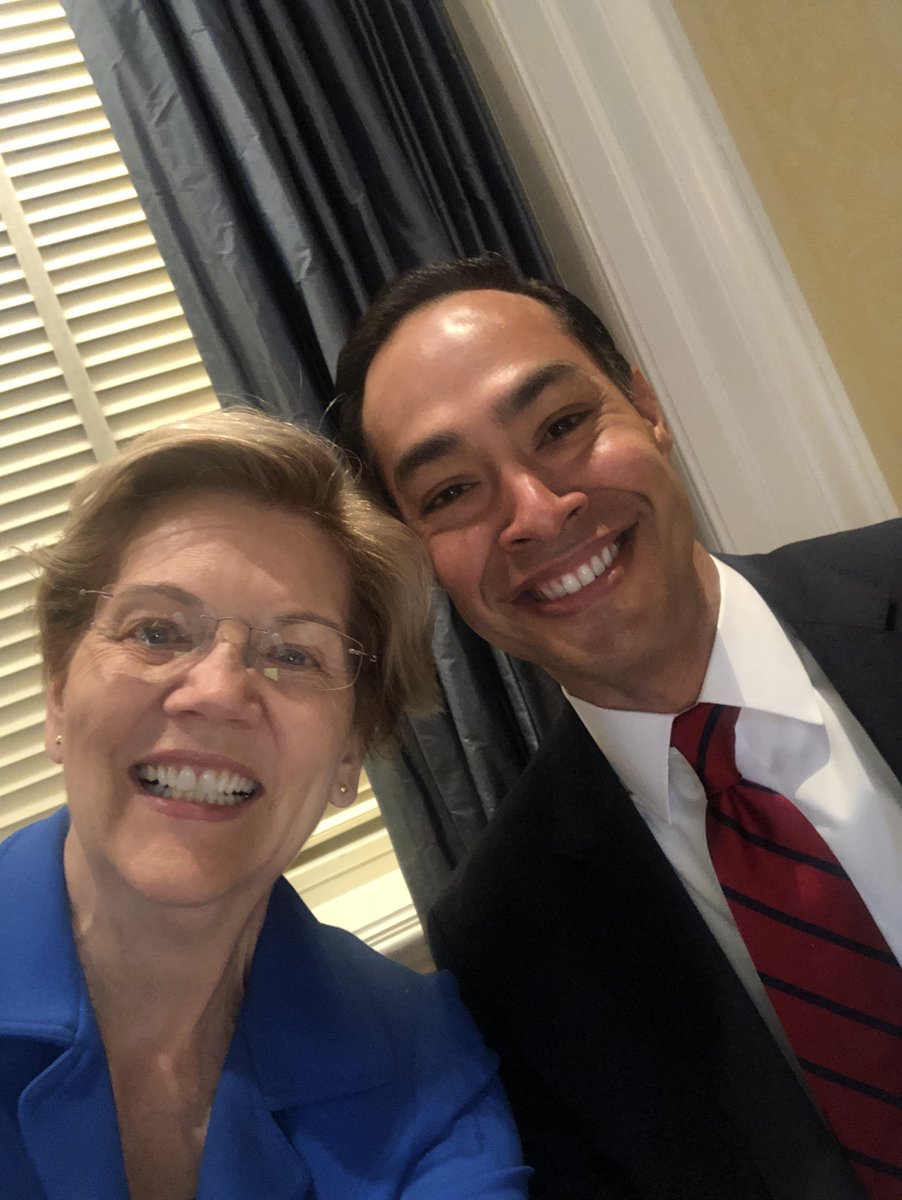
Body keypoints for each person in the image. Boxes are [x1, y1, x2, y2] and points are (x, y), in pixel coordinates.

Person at [333, 254, 902, 1200]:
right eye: (449, 493)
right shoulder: (505, 939)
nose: (535, 511)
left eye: (561, 426)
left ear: (645, 405)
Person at [0, 408, 530, 1200]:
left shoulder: (424, 1060)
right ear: (56, 698)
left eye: (293, 654)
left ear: (352, 754)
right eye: (155, 631)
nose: (216, 692)